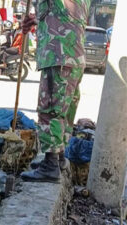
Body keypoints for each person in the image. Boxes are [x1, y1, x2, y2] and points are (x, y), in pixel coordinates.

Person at [20, 0, 91, 183]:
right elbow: (62, 15)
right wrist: (37, 20)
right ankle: (58, 158)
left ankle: (51, 165)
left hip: (58, 54)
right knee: (63, 110)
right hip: (73, 56)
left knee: (50, 109)